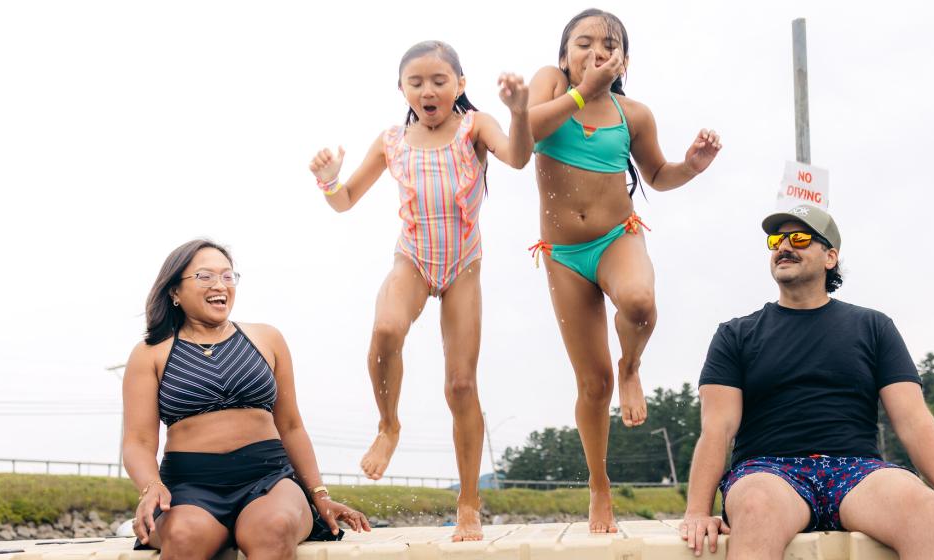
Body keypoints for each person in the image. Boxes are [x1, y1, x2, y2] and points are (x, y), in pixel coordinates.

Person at [679, 205, 934, 559]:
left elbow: (913, 419)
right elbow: (717, 429)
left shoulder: (874, 327)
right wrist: (697, 511)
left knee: (922, 505)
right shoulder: (735, 334)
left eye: (800, 238)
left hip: (857, 471)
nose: (784, 246)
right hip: (768, 470)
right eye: (777, 239)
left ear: (830, 256)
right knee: (757, 506)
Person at [306, 40, 533, 541]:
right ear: (402, 90)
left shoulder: (476, 126)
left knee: (461, 385)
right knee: (386, 328)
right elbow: (344, 201)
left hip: (463, 266)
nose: (428, 91)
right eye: (416, 83)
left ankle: (469, 501)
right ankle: (389, 425)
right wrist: (328, 181)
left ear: (460, 85)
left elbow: (518, 157)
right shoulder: (391, 140)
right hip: (412, 257)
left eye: (438, 81)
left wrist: (519, 112)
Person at [525, 8, 722, 533]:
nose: (594, 51)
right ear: (564, 55)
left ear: (624, 61)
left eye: (607, 45)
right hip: (564, 256)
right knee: (593, 385)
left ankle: (632, 366)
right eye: (582, 43)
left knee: (638, 301)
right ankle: (599, 485)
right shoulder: (549, 86)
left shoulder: (633, 114)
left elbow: (657, 175)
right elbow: (527, 129)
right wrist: (578, 91)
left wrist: (691, 167)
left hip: (617, 237)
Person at [123, 239, 370, 560]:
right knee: (185, 538)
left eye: (228, 276)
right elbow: (138, 441)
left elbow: (292, 426)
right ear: (175, 292)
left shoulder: (267, 339)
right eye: (205, 276)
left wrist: (319, 494)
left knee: (274, 528)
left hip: (269, 479)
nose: (220, 285)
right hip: (189, 487)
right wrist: (150, 487)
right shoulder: (149, 353)